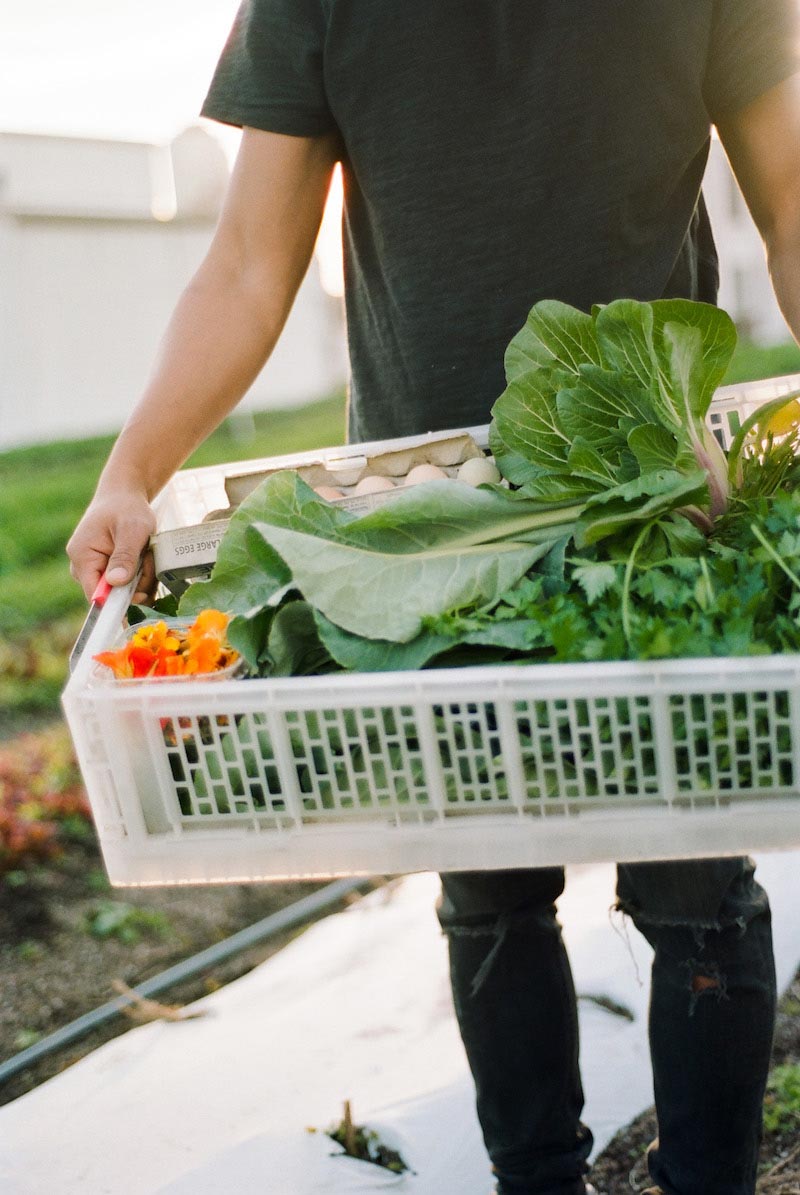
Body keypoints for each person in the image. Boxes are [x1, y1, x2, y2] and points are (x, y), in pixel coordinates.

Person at [68, 4, 800, 1192]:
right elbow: (253, 263)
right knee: (491, 892)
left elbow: (789, 202)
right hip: (416, 534)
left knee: (695, 889)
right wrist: (131, 470)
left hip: (655, 505)